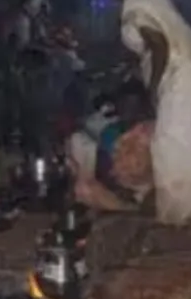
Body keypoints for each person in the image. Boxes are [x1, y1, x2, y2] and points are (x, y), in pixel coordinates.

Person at [106, 0, 191, 224]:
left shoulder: (135, 3)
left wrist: (153, 88)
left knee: (172, 142)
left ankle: (176, 211)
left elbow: (158, 45)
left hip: (179, 75)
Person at [67, 79, 156, 211]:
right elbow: (104, 168)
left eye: (134, 105)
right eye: (124, 105)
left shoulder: (152, 133)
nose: (129, 111)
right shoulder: (111, 133)